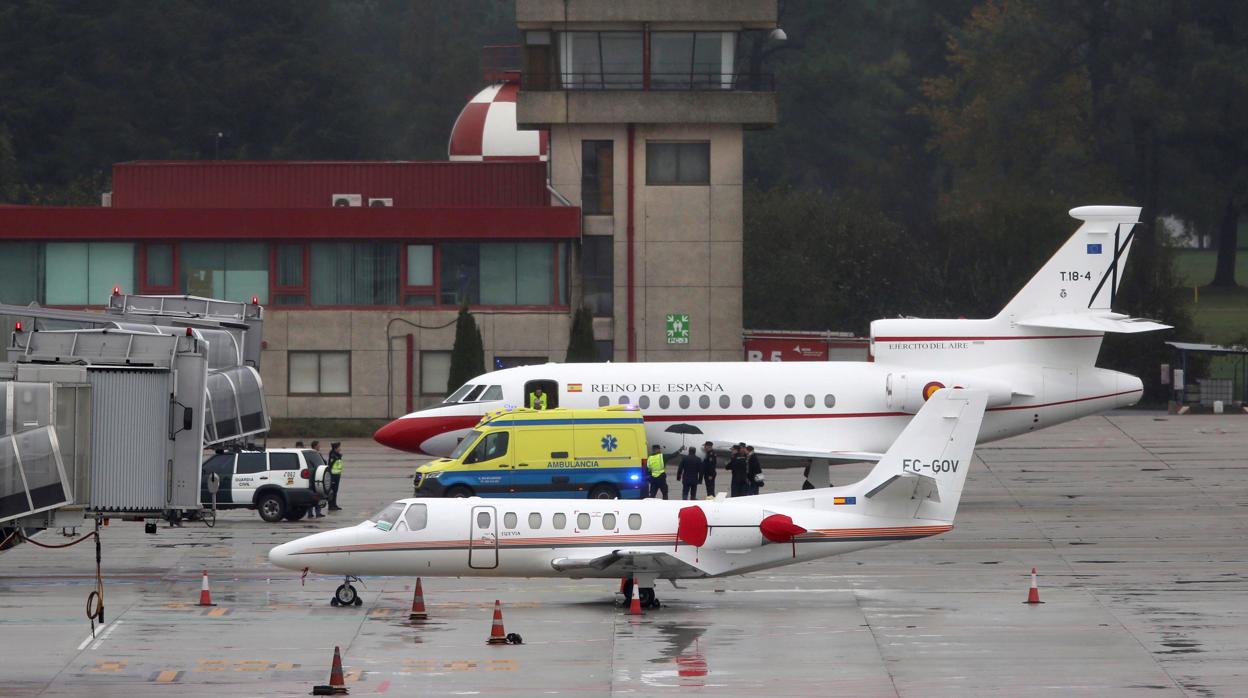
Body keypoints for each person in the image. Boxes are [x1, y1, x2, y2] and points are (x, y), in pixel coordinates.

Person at [309, 440, 326, 518]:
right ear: (315, 446)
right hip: (316, 477)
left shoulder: (312, 453)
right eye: (319, 445)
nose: (320, 446)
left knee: (314, 495)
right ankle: (316, 512)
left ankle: (312, 513)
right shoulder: (314, 454)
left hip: (316, 476)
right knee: (317, 495)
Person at [327, 442, 344, 511]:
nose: (340, 448)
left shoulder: (337, 455)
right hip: (333, 475)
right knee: (332, 491)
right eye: (339, 447)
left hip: (337, 475)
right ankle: (331, 505)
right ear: (336, 448)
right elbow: (330, 466)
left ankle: (334, 504)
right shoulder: (333, 456)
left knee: (335, 491)